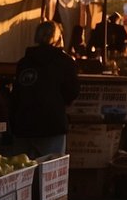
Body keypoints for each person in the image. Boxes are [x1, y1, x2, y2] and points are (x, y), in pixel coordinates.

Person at [10, 21, 80, 157]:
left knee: (22, 170)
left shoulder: (24, 62)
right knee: (50, 170)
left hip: (23, 124)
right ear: (58, 37)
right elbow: (72, 92)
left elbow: (17, 93)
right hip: (51, 124)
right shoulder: (65, 62)